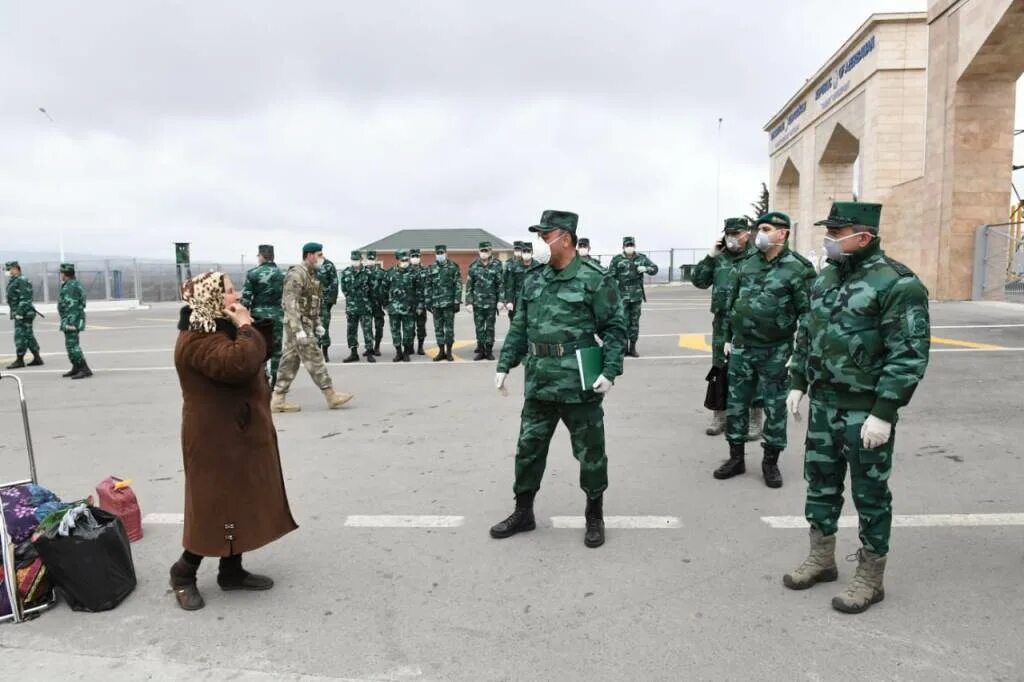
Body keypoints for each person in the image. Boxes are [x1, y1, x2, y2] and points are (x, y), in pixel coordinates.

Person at [784, 201, 930, 615]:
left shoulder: (898, 284)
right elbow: (807, 334)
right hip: (825, 405)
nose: (829, 240)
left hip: (864, 411)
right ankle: (822, 557)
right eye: (829, 232)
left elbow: (909, 354)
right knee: (821, 485)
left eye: (836, 233)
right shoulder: (825, 277)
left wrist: (884, 411)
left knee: (870, 494)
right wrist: (797, 381)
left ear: (862, 237)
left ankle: (870, 575)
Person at [491, 210, 627, 549]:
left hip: (579, 383)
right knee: (528, 450)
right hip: (539, 383)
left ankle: (594, 515)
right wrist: (505, 364)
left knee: (590, 453)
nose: (539, 243)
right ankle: (523, 512)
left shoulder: (594, 278)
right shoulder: (534, 279)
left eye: (544, 236)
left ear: (565, 238)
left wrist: (610, 371)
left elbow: (614, 328)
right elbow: (520, 326)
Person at [170, 271, 298, 611]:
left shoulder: (215, 328)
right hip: (214, 438)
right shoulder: (197, 339)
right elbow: (240, 363)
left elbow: (257, 353)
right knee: (214, 507)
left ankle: (231, 571)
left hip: (235, 432)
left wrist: (248, 324)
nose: (235, 294)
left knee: (238, 500)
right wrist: (244, 326)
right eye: (227, 291)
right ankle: (183, 573)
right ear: (210, 299)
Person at [713, 212, 815, 488]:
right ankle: (736, 458)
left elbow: (808, 315)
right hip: (742, 348)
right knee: (736, 405)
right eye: (760, 228)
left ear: (782, 234)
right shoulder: (746, 264)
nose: (760, 233)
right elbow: (730, 304)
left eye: (767, 229)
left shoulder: (799, 269)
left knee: (774, 407)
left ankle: (770, 462)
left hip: (776, 350)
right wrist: (726, 337)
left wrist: (799, 350)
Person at [691, 218, 759, 437]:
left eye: (735, 233)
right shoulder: (720, 259)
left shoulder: (757, 257)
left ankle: (755, 420)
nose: (731, 238)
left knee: (751, 369)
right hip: (722, 323)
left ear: (746, 234)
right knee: (719, 368)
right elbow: (699, 281)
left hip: (748, 324)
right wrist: (710, 257)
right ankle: (720, 416)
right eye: (727, 234)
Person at [271, 243, 354, 413]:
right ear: (309, 255)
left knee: (290, 361)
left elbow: (312, 301)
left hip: (306, 323)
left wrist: (317, 324)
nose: (321, 258)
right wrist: (298, 329)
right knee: (315, 358)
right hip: (298, 324)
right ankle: (331, 395)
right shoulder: (297, 274)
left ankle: (278, 399)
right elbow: (290, 302)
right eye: (319, 254)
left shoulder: (312, 275)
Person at [241, 244, 284, 385]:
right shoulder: (282, 274)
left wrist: (241, 318)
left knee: (260, 349)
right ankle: (275, 380)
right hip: (277, 315)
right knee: (276, 350)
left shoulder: (253, 273)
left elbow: (246, 299)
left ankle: (262, 380)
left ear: (262, 256)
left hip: (258, 317)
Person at [608, 237, 658, 357]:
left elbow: (655, 269)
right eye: (627, 245)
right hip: (622, 296)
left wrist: (646, 268)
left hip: (636, 296)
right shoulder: (617, 259)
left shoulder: (641, 258)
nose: (629, 247)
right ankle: (624, 348)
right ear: (623, 247)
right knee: (623, 322)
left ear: (634, 246)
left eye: (631, 245)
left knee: (634, 323)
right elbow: (610, 276)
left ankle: (633, 348)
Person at [466, 241, 504, 361]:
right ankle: (481, 351)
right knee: (479, 328)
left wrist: (501, 300)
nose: (484, 253)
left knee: (490, 328)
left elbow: (500, 284)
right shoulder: (473, 266)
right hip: (478, 303)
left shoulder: (497, 265)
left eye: (486, 251)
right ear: (479, 252)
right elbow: (469, 286)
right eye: (482, 251)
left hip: (491, 303)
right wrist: (468, 302)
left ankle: (489, 350)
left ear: (490, 251)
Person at [4, 261, 43, 369]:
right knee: (28, 335)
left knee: (20, 336)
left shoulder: (22, 280)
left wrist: (19, 313)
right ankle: (37, 357)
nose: (7, 271)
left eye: (9, 269)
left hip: (23, 313)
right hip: (22, 312)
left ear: (15, 268)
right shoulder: (15, 280)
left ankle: (20, 360)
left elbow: (25, 298)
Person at [339, 250, 376, 363]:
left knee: (367, 331)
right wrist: (352, 299)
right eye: (353, 260)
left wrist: (367, 301)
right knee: (351, 331)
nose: (355, 262)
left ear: (361, 260)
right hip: (352, 307)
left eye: (356, 259)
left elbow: (373, 289)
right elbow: (344, 289)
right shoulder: (346, 273)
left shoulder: (368, 273)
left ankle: (369, 352)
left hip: (365, 307)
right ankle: (353, 353)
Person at [383, 250, 420, 362]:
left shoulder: (414, 273)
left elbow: (419, 290)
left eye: (406, 260)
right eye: (403, 260)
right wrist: (385, 304)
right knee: (395, 331)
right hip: (394, 308)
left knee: (408, 331)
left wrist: (419, 306)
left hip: (409, 308)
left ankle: (406, 353)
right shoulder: (390, 273)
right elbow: (384, 289)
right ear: (398, 260)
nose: (405, 262)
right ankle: (398, 352)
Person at [57, 263, 92, 379]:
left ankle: (84, 368)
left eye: (61, 273)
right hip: (70, 318)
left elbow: (73, 306)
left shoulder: (71, 286)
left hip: (72, 320)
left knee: (73, 345)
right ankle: (76, 367)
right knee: (70, 345)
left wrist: (70, 323)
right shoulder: (71, 284)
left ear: (65, 274)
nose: (60, 275)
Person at [428, 245, 462, 362]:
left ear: (446, 253)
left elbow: (458, 285)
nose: (440, 254)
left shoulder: (453, 267)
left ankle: (449, 351)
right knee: (438, 328)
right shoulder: (431, 267)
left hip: (448, 304)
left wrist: (457, 301)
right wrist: (428, 302)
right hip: (436, 304)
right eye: (438, 253)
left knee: (449, 329)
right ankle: (441, 351)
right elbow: (428, 286)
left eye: (442, 252)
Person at [315, 251, 339, 362]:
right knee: (312, 328)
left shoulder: (329, 265)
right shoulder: (310, 264)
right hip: (312, 303)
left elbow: (334, 283)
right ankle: (316, 352)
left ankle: (325, 352)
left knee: (324, 327)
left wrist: (330, 301)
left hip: (324, 302)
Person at [366, 250, 386, 356]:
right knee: (367, 328)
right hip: (366, 305)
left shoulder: (382, 272)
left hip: (378, 305)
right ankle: (369, 347)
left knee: (379, 327)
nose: (371, 261)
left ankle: (377, 347)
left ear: (376, 259)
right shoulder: (363, 272)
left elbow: (386, 288)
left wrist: (385, 302)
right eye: (369, 258)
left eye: (372, 259)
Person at [409, 248, 430, 355]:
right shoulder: (406, 270)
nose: (415, 258)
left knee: (421, 327)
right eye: (413, 256)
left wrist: (422, 304)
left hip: (421, 304)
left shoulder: (425, 270)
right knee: (410, 327)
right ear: (409, 257)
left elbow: (428, 287)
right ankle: (411, 347)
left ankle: (420, 347)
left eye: (417, 256)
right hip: (408, 304)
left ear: (420, 257)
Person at [503, 241, 527, 323]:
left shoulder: (527, 262)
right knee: (513, 320)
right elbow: (504, 281)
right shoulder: (508, 263)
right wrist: (506, 299)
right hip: (513, 298)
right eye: (516, 249)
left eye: (519, 249)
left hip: (525, 296)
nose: (518, 251)